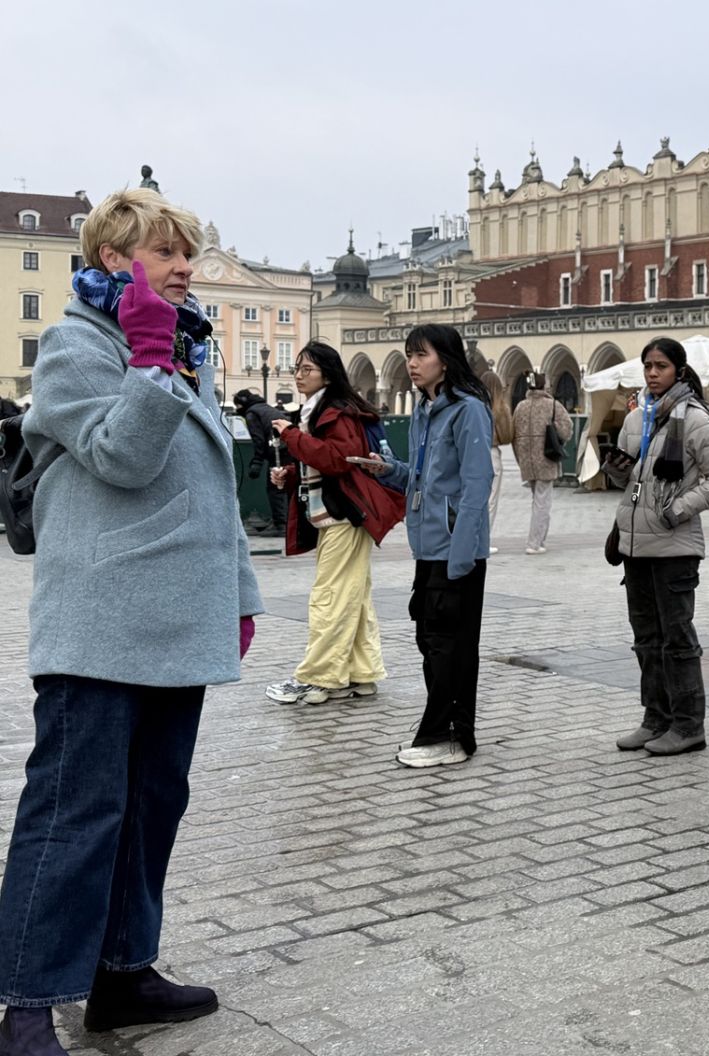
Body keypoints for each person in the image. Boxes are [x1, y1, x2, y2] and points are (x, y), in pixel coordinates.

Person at [0, 188, 262, 1056]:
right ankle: (28, 1004)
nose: (188, 266)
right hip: (101, 627)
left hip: (176, 624)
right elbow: (121, 456)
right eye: (168, 253)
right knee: (76, 813)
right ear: (118, 260)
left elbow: (213, 483)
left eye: (189, 252)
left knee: (153, 805)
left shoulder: (186, 348)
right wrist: (150, 364)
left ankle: (120, 974)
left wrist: (240, 596)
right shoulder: (75, 347)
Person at [373, 324, 494, 769]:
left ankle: (448, 735)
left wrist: (462, 556)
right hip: (428, 548)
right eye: (408, 354)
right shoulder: (426, 410)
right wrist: (388, 469)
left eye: (420, 354)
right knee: (431, 639)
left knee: (450, 645)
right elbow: (424, 479)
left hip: (455, 551)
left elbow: (478, 485)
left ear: (445, 357)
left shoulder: (468, 410)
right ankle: (445, 729)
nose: (412, 362)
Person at [614, 337, 709, 757]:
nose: (651, 373)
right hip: (635, 546)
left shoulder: (694, 418)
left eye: (661, 366)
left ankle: (688, 725)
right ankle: (655, 718)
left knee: (677, 640)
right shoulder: (636, 419)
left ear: (678, 372)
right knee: (646, 639)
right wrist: (618, 473)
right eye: (647, 365)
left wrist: (676, 509)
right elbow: (632, 479)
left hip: (674, 547)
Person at [264, 342, 404, 705]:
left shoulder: (336, 412)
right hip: (337, 515)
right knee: (351, 596)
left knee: (331, 597)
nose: (298, 375)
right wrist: (292, 475)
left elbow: (339, 460)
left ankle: (319, 678)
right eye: (296, 368)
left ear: (327, 373)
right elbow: (326, 464)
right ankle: (361, 673)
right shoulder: (322, 409)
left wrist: (290, 437)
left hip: (344, 516)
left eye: (306, 369)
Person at [511, 371, 573, 554]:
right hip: (547, 458)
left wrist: (520, 457)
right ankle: (534, 543)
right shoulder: (552, 405)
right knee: (543, 502)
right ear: (544, 385)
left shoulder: (520, 407)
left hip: (526, 460)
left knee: (536, 499)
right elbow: (567, 429)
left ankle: (540, 540)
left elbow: (513, 434)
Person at [234, 387, 289, 536]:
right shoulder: (265, 408)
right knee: (285, 486)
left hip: (278, 450)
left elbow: (258, 440)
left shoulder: (252, 413)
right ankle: (287, 523)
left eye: (238, 406)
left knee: (275, 487)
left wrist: (257, 462)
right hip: (288, 447)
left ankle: (280, 525)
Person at [481, 369, 515, 555]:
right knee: (491, 501)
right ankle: (484, 541)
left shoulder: (472, 405)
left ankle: (473, 537)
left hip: (474, 454)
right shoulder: (500, 408)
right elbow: (508, 436)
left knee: (474, 498)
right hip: (492, 454)